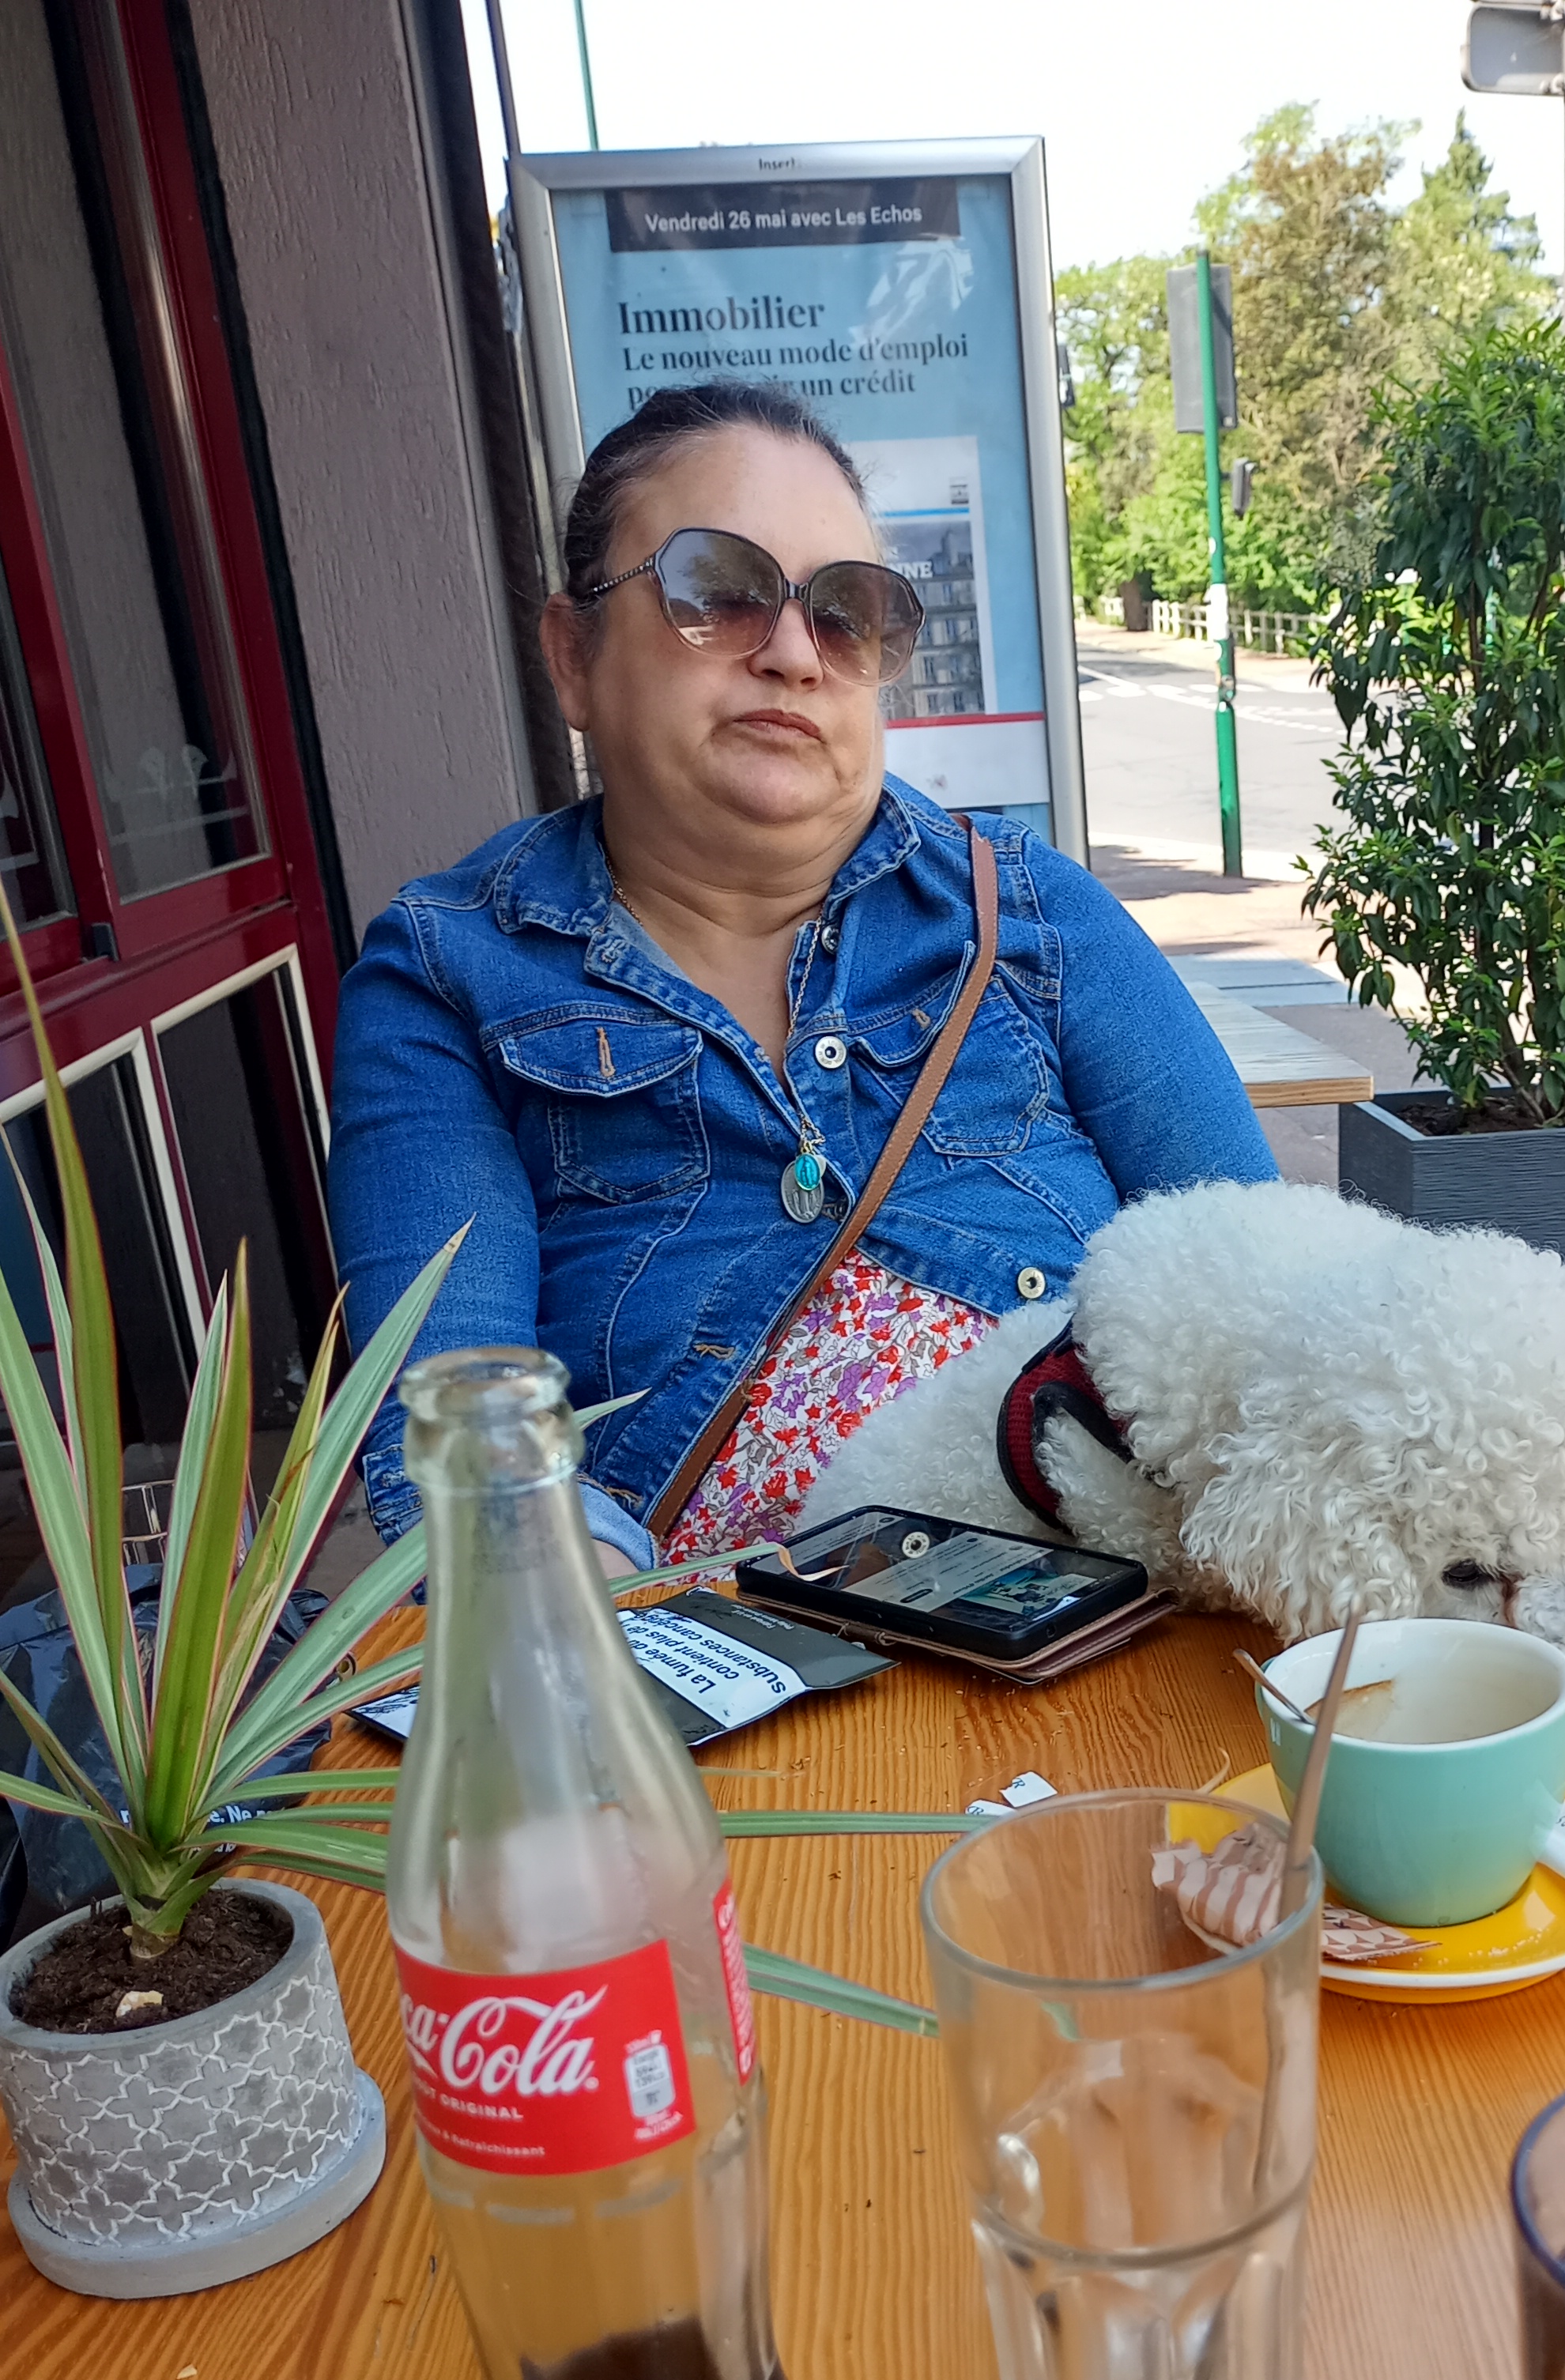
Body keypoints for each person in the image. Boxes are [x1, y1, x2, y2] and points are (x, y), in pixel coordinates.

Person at [327, 382, 1276, 1571]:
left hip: (1105, 1621)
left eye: (846, 613)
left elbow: (1270, 1289)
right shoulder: (446, 977)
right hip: (699, 1651)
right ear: (574, 657)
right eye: (718, 591)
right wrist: (588, 1626)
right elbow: (461, 1441)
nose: (791, 652)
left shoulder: (1030, 913)